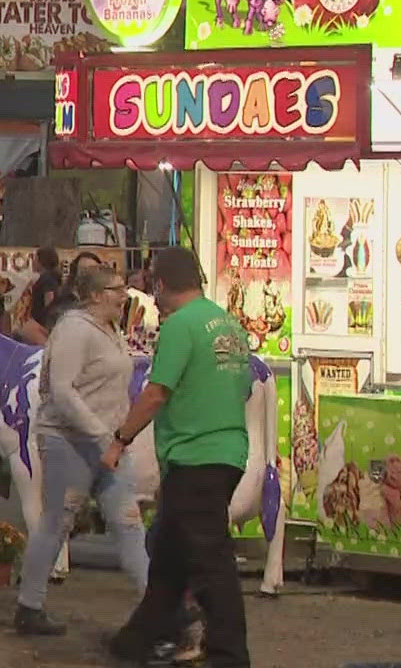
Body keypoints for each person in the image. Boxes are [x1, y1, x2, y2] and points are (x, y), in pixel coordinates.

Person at [103, 247, 253, 668]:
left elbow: (156, 392)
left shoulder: (178, 328)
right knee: (168, 560)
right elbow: (240, 389)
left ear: (162, 284)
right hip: (226, 452)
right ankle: (136, 641)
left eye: (153, 283)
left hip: (194, 456)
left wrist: (120, 439)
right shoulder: (227, 324)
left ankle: (230, 656)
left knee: (211, 566)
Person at [13, 264, 146, 636]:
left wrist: (115, 439)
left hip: (110, 445)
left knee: (129, 523)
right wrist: (102, 437)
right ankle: (29, 605)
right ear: (96, 295)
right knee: (57, 523)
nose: (126, 296)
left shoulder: (112, 329)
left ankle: (156, 607)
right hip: (68, 441)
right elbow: (62, 390)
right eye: (118, 290)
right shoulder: (74, 329)